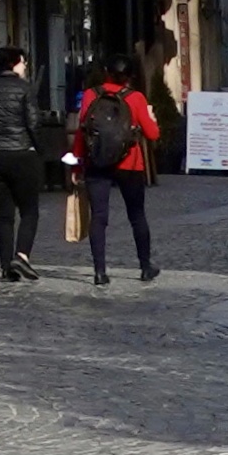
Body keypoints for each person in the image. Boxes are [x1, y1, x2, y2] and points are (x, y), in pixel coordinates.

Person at [73, 61, 162, 287]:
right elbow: (152, 134)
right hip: (130, 164)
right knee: (137, 216)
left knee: (99, 217)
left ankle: (100, 271)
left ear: (106, 73)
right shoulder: (136, 98)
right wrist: (150, 119)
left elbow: (82, 132)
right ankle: (145, 267)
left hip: (97, 162)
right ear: (129, 77)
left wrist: (77, 165)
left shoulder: (90, 95)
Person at [0, 44, 43, 284]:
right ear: (13, 64)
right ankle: (22, 256)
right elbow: (33, 123)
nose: (25, 66)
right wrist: (40, 150)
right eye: (23, 62)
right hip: (21, 154)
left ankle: (7, 267)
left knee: (4, 214)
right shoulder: (25, 88)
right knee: (29, 210)